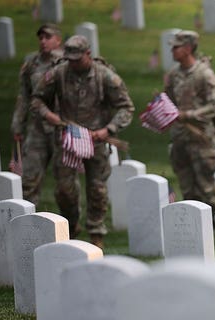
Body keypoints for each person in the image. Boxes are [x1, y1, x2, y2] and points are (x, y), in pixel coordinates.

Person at [31, 35, 135, 248]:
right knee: (64, 189)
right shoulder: (59, 73)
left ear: (89, 54)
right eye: (70, 59)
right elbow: (37, 98)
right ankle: (72, 222)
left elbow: (126, 107)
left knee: (97, 189)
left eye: (78, 59)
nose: (74, 63)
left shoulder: (105, 76)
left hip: (96, 140)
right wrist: (49, 115)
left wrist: (109, 129)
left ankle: (96, 233)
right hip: (68, 140)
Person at [165, 30, 215, 214]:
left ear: (188, 48)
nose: (172, 51)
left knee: (206, 187)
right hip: (180, 137)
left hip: (201, 138)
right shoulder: (174, 75)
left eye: (176, 47)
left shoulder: (204, 74)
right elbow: (168, 101)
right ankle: (194, 228)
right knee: (187, 188)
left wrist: (188, 114)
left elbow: (214, 106)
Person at [10, 23, 63, 205]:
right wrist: (18, 125)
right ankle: (27, 222)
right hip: (37, 128)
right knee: (28, 179)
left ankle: (71, 225)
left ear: (58, 40)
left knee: (65, 182)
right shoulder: (32, 64)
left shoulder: (67, 63)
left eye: (48, 37)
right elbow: (24, 96)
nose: (43, 41)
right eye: (40, 38)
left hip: (60, 128)